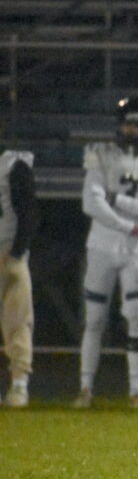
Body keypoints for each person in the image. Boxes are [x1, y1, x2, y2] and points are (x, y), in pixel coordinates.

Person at [73, 97, 138, 409]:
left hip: (136, 251)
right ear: (119, 124)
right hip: (103, 246)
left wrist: (117, 200)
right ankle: (85, 388)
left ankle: (136, 391)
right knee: (94, 319)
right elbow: (91, 203)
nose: (133, 130)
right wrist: (131, 225)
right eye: (129, 123)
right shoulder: (100, 153)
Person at [0, 142, 37, 408]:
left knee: (17, 322)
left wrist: (14, 253)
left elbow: (29, 214)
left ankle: (19, 384)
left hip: (7, 256)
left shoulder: (15, 166)